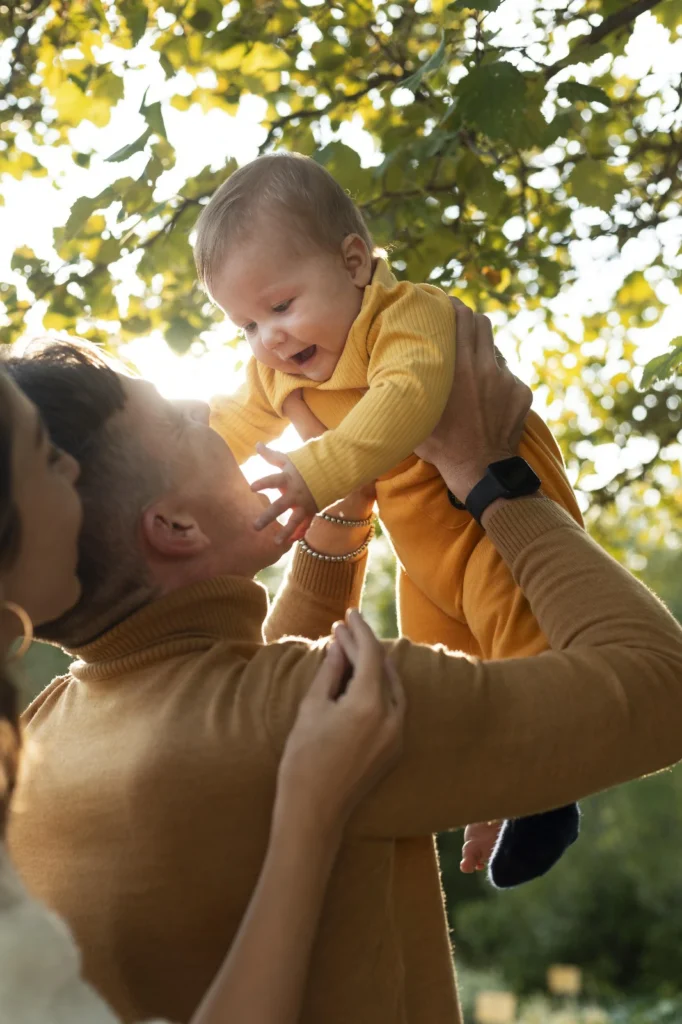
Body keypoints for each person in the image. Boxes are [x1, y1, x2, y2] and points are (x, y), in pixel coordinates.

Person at [6, 303, 682, 1024]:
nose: (206, 407)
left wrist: (339, 516)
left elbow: (232, 692)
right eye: (181, 424)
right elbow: (659, 684)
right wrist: (489, 478)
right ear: (176, 528)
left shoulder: (44, 734)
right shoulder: (333, 709)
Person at [194, 152, 582, 888]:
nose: (268, 339)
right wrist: (180, 478)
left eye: (279, 306)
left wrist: (314, 472)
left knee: (522, 634)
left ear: (352, 263)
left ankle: (548, 794)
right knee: (441, 676)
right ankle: (493, 782)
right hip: (422, 548)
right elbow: (224, 431)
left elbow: (403, 405)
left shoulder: (407, 316)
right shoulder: (276, 371)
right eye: (244, 324)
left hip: (492, 513)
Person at [0, 362, 405, 1023]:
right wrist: (492, 475)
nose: (75, 474)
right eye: (48, 459)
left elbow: (241, 709)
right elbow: (639, 677)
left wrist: (335, 532)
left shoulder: (41, 730)